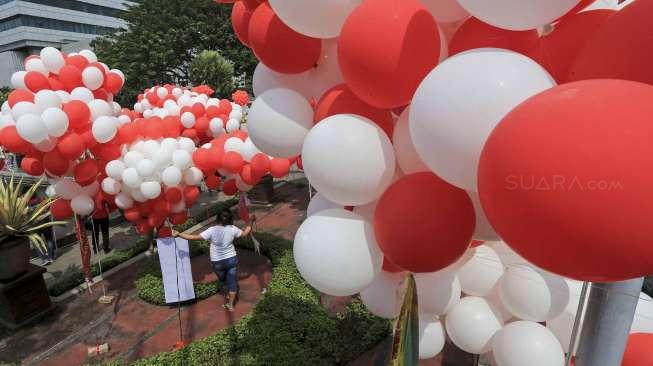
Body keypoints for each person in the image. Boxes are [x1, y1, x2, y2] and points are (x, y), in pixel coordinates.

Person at [174, 208, 254, 312]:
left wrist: (179, 234)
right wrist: (251, 221)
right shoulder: (233, 228)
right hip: (231, 260)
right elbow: (245, 233)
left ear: (218, 219)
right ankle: (230, 304)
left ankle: (228, 289)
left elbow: (194, 237)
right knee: (232, 283)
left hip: (218, 262)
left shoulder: (212, 230)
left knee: (223, 279)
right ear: (230, 219)